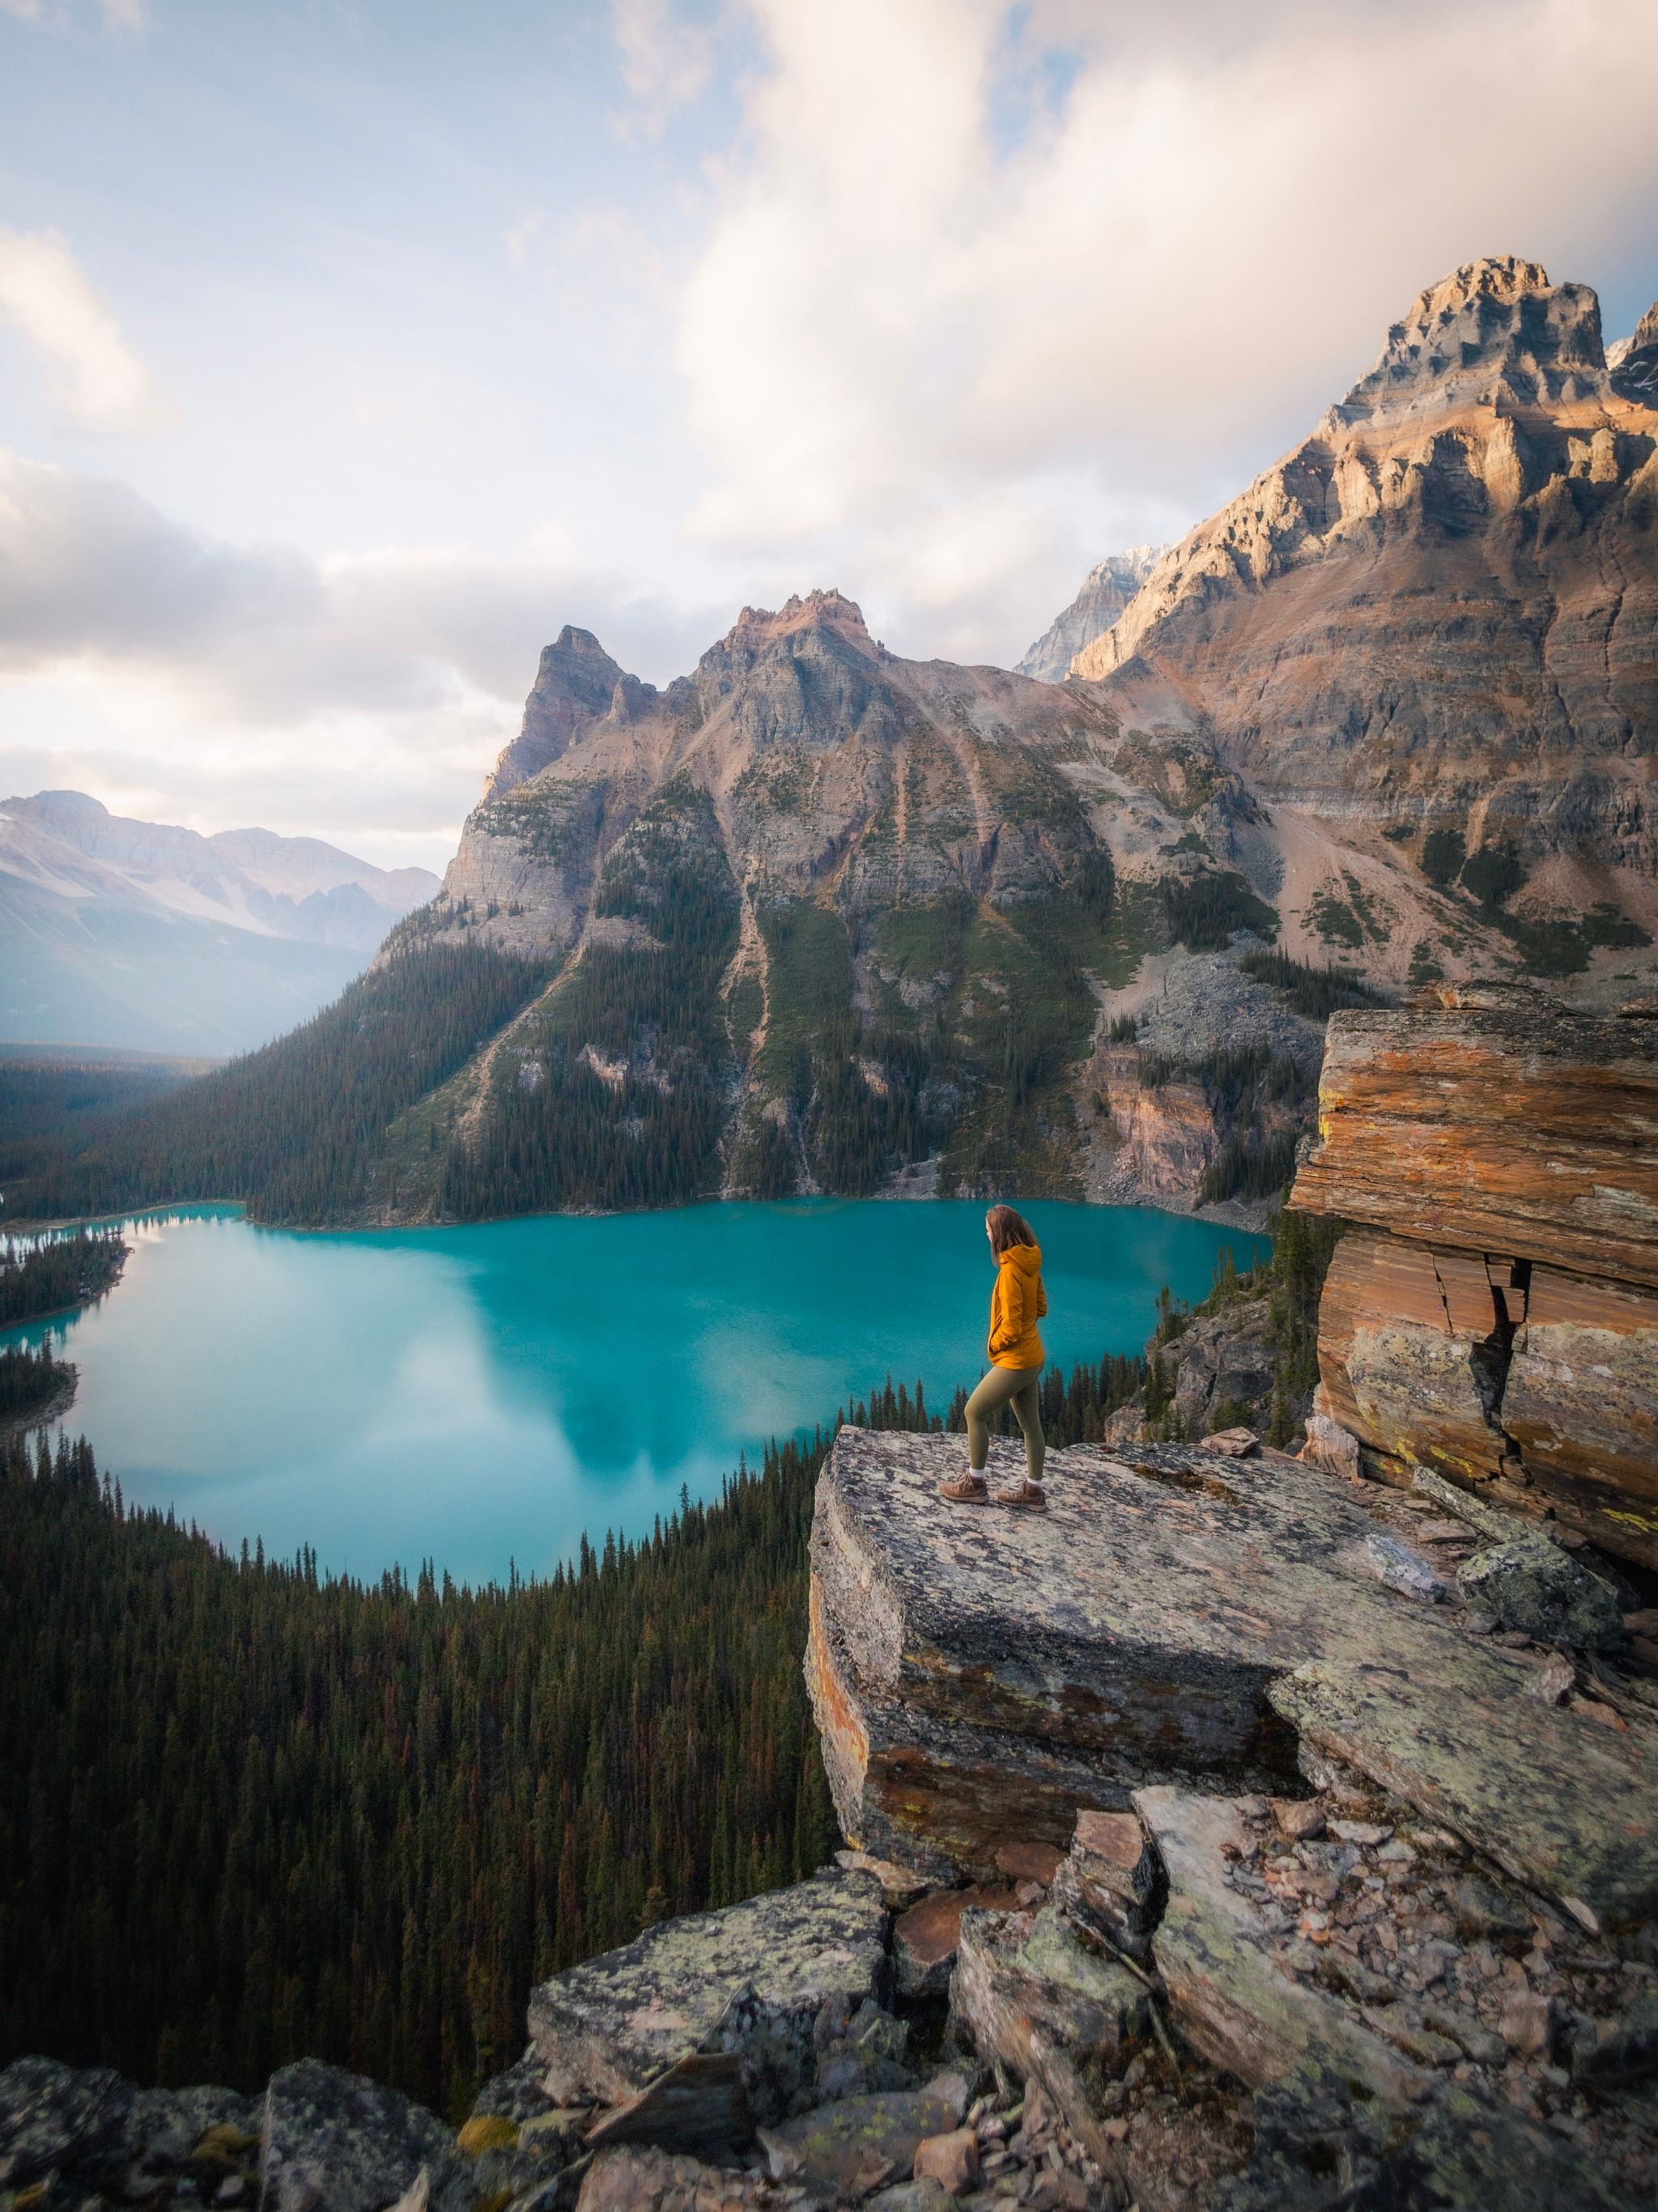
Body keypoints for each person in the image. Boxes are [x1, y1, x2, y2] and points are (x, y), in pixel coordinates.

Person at [937, 1203, 1048, 1511]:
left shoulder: (1011, 1270)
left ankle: (975, 1483)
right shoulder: (1030, 1261)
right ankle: (1034, 1492)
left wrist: (996, 1346)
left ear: (999, 1234)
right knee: (1031, 1426)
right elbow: (1040, 1308)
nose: (985, 1234)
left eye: (988, 1229)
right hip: (1033, 1357)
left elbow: (1011, 1326)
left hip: (1015, 1361)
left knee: (974, 1412)